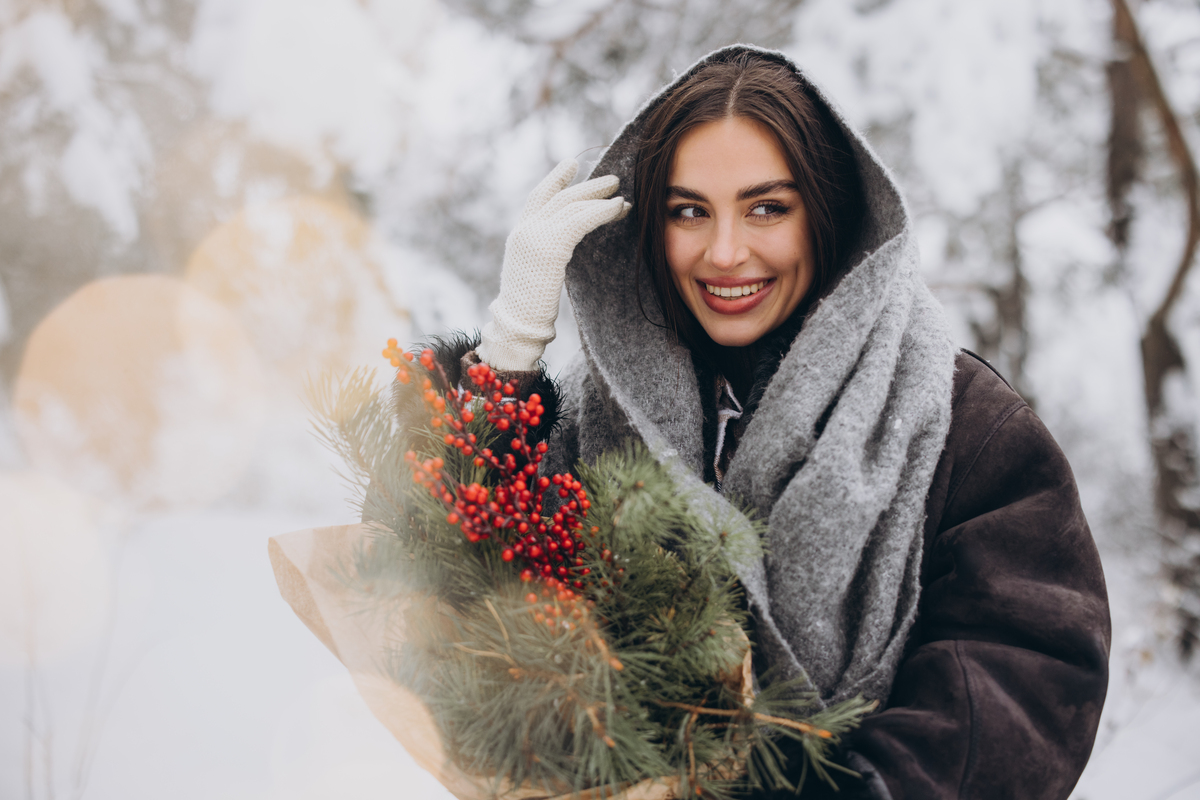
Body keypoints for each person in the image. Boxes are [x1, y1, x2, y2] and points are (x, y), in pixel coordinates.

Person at [428, 45, 1110, 799]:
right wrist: (514, 337)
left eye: (767, 208)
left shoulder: (965, 421)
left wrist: (861, 787)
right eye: (690, 211)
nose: (725, 253)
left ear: (830, 214)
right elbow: (454, 577)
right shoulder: (597, 413)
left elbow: (1032, 666)